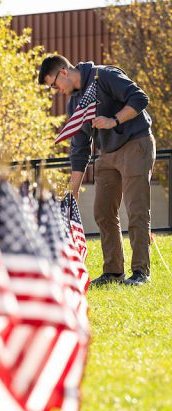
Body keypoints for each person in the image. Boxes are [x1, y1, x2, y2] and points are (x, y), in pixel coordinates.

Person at [38, 55, 155, 286]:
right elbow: (80, 147)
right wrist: (75, 187)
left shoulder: (105, 75)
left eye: (54, 85)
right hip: (107, 153)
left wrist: (114, 120)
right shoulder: (75, 103)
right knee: (102, 211)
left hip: (135, 142)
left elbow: (140, 98)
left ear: (63, 72)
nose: (56, 90)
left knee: (136, 209)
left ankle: (141, 272)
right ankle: (113, 272)